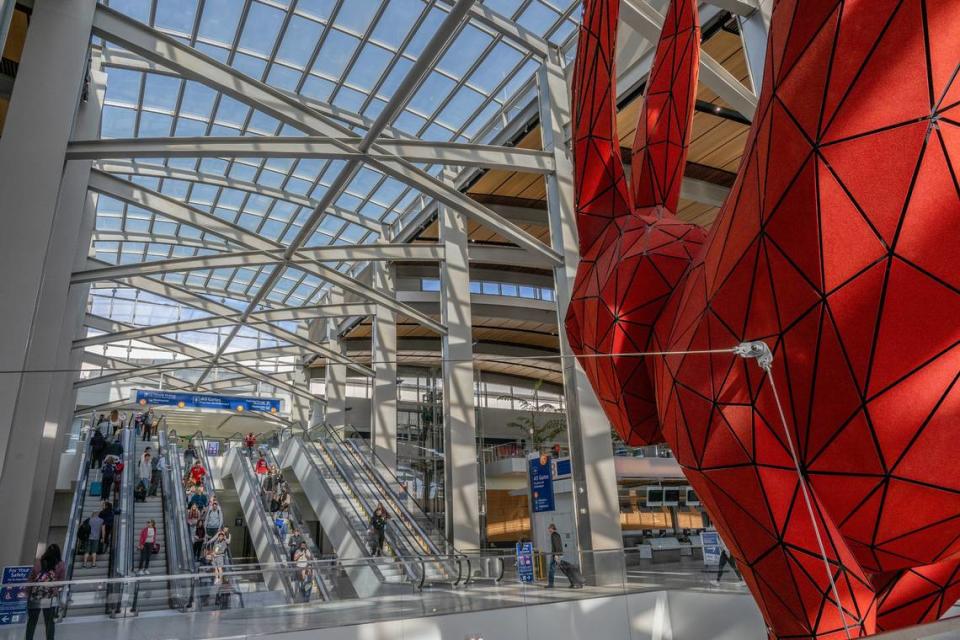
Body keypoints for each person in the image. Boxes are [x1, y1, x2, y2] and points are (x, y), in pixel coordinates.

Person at [25, 544, 65, 640]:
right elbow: (62, 581)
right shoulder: (60, 564)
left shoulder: (38, 562)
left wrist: (27, 593)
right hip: (50, 597)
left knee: (32, 621)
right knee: (49, 622)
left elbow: (31, 579)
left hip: (35, 596)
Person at [546, 523, 567, 589]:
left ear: (552, 528)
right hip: (558, 554)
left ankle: (551, 584)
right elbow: (559, 545)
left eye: (549, 528)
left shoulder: (553, 535)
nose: (548, 530)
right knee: (561, 569)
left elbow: (556, 545)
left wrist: (556, 555)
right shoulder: (557, 535)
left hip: (555, 555)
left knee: (551, 570)